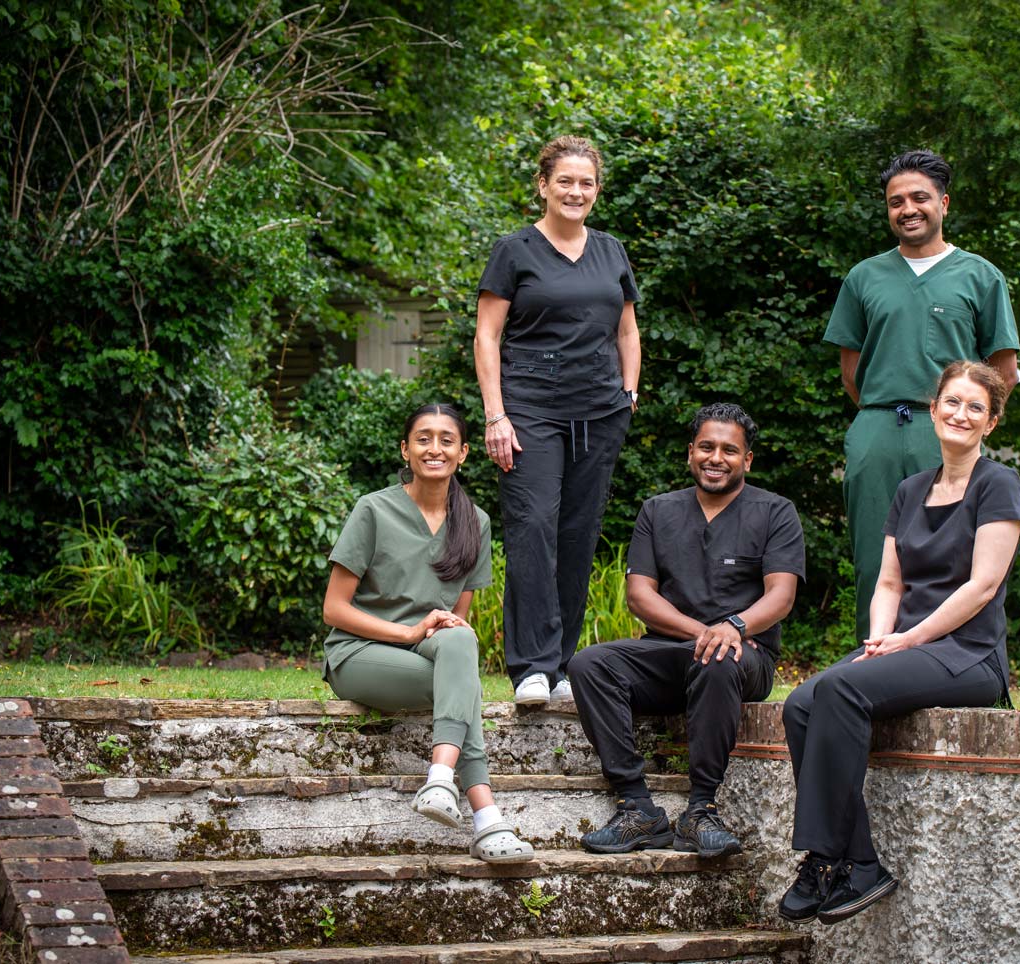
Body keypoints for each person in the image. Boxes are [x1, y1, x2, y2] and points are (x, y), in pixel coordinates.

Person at [778, 360, 1020, 925]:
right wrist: (879, 639)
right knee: (800, 703)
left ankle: (824, 857)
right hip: (906, 644)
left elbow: (982, 585)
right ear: (933, 409)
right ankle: (860, 861)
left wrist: (909, 639)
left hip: (968, 655)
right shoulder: (911, 489)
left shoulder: (998, 485)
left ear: (991, 423)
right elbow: (889, 582)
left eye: (975, 407)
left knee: (840, 690)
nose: (960, 414)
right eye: (952, 401)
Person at [568, 403, 805, 858]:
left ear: (747, 460)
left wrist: (733, 628)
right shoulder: (658, 510)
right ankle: (638, 809)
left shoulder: (775, 512)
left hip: (744, 658)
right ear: (690, 453)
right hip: (669, 652)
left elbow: (781, 597)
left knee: (719, 657)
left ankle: (700, 810)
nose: (716, 458)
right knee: (588, 664)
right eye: (706, 447)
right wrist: (706, 631)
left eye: (729, 450)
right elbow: (640, 595)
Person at [321, 404, 534, 865]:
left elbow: (455, 620)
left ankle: (442, 780)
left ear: (463, 453)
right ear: (405, 449)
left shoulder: (474, 522)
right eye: (423, 438)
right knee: (466, 685)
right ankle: (486, 816)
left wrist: (428, 634)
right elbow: (334, 610)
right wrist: (407, 633)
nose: (433, 448)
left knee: (461, 640)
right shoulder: (373, 509)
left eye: (445, 440)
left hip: (428, 654)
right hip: (359, 654)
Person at [824, 149, 1020, 642]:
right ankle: (869, 663)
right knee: (875, 557)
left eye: (919, 198)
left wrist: (963, 421)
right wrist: (885, 414)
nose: (908, 209)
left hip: (949, 433)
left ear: (944, 203)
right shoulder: (864, 277)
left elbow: (1004, 373)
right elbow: (852, 373)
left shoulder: (980, 276)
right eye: (896, 202)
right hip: (876, 431)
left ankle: (952, 662)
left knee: (954, 554)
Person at [475, 134, 642, 707]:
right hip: (529, 411)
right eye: (564, 181)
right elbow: (487, 335)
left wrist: (630, 391)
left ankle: (564, 665)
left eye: (586, 183)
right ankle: (530, 667)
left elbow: (626, 329)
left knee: (577, 533)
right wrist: (496, 415)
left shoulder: (612, 250)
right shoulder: (514, 250)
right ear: (543, 186)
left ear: (597, 190)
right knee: (533, 529)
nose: (576, 191)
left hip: (599, 411)